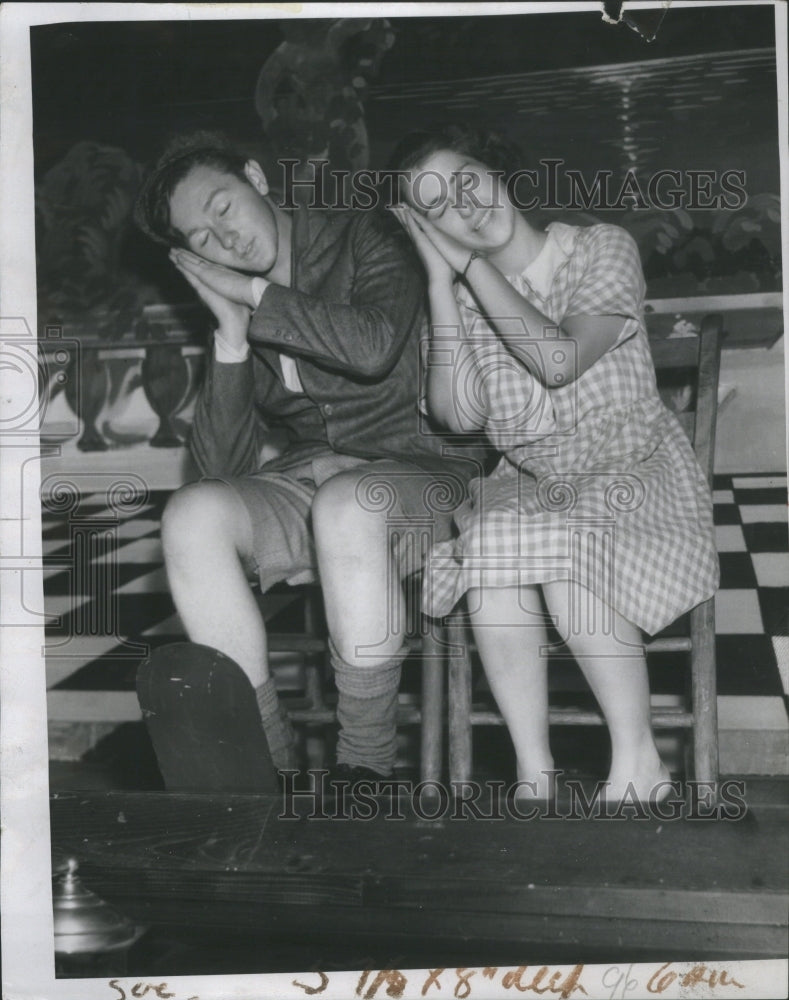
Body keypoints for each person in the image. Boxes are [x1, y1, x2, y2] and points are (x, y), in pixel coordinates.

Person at [389, 125, 719, 804]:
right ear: (428, 230)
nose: (468, 206)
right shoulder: (460, 298)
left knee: (565, 540)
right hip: (534, 481)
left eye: (467, 179)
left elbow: (559, 361)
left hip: (633, 464)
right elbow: (454, 415)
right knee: (498, 543)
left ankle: (638, 762)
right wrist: (436, 282)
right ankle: (532, 774)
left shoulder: (601, 246)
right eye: (440, 207)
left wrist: (470, 267)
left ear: (497, 171)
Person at [133, 131, 475, 785]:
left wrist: (258, 300)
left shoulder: (367, 234)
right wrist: (230, 338)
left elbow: (373, 345)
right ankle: (264, 767)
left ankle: (364, 771)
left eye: (223, 207)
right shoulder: (240, 299)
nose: (223, 240)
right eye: (200, 238)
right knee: (192, 516)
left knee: (348, 504)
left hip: (424, 470)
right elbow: (215, 469)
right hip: (313, 477)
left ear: (256, 178)